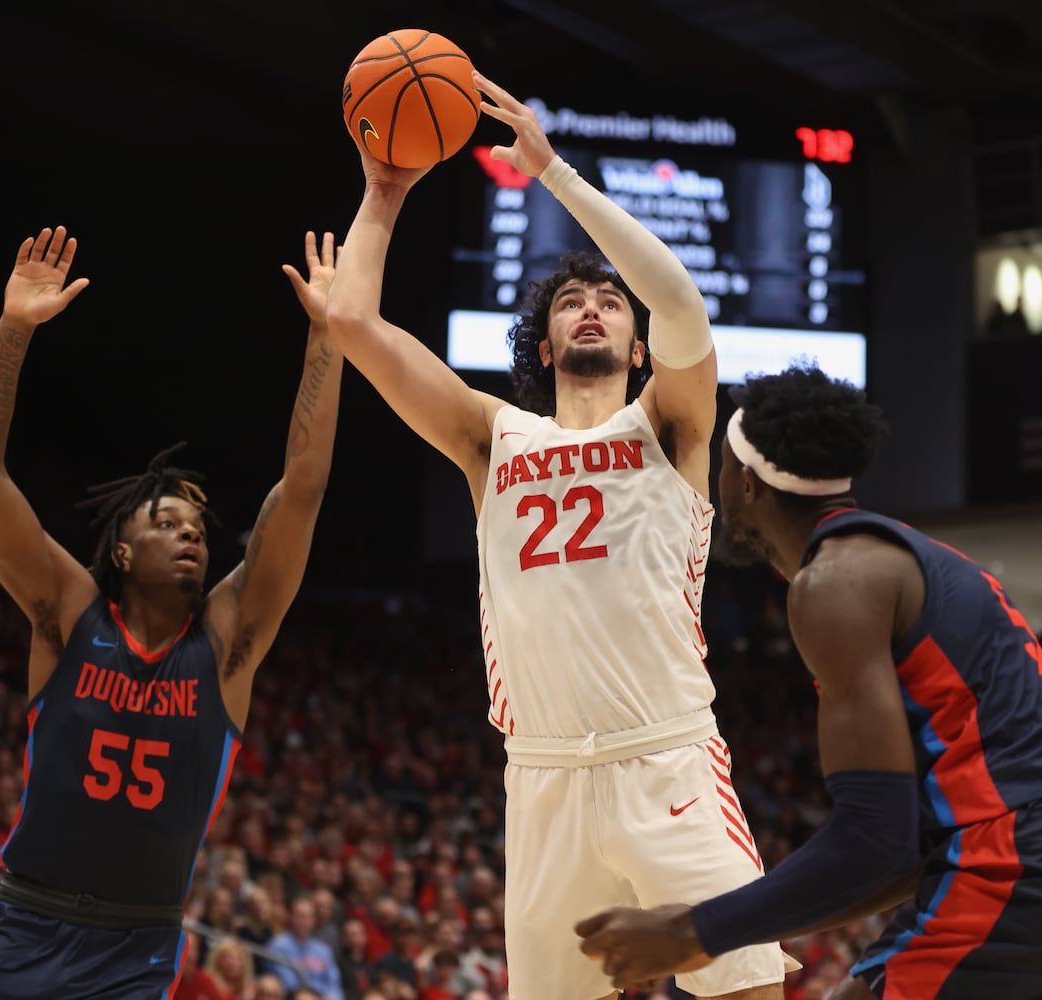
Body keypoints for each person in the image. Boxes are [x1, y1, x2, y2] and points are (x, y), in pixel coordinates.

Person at [326, 70, 790, 1000]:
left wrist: (556, 176)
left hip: (665, 756)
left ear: (637, 347)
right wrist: (382, 191)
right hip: (539, 777)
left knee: (749, 994)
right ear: (541, 348)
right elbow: (349, 320)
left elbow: (686, 307)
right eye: (570, 304)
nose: (590, 306)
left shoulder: (668, 424)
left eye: (610, 304)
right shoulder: (490, 435)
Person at [574, 366, 1042, 998]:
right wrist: (732, 927)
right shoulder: (917, 558)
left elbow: (874, 841)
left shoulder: (834, 584)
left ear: (745, 482)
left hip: (1028, 866)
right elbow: (906, 853)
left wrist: (693, 931)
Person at [0, 226, 344, 998]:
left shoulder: (226, 644)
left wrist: (325, 334)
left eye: (195, 527)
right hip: (22, 922)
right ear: (120, 553)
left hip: (136, 947)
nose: (189, 532)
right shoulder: (68, 614)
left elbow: (302, 486)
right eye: (163, 523)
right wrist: (13, 330)